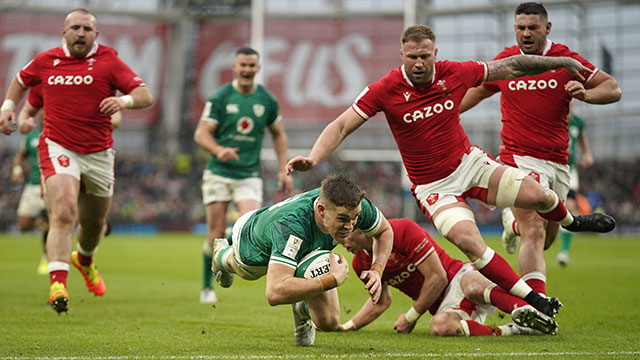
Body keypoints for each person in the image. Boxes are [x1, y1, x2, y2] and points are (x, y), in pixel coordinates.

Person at [287, 24, 616, 318]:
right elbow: (343, 124)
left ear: (435, 54)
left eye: (425, 56)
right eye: (412, 56)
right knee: (470, 243)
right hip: (434, 187)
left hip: (470, 164)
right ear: (401, 54)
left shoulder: (456, 72)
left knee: (540, 195)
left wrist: (562, 63)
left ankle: (574, 221)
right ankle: (533, 300)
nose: (418, 63)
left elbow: (513, 65)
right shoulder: (385, 89)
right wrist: (314, 158)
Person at [460, 3, 621, 294]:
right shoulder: (507, 61)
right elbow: (478, 91)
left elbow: (612, 88)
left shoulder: (566, 60)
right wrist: (445, 113)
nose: (526, 33)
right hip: (517, 158)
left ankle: (511, 225)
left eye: (532, 27)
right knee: (534, 230)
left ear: (547, 28)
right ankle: (536, 307)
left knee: (545, 238)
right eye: (520, 28)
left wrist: (587, 93)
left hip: (558, 163)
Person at [0, 8, 153, 314]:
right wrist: (8, 108)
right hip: (58, 146)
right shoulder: (46, 62)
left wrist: (122, 100)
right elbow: (20, 82)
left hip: (98, 152)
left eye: (87, 29)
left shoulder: (108, 61)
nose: (81, 33)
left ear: (95, 34)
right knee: (64, 210)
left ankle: (83, 260)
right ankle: (58, 282)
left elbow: (144, 94)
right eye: (75, 28)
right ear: (64, 31)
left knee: (95, 223)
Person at [209, 173, 393, 346]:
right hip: (253, 241)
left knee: (329, 322)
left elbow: (385, 231)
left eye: (355, 219)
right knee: (245, 271)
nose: (350, 226)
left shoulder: (354, 206)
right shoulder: (292, 227)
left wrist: (377, 270)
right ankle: (221, 255)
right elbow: (274, 293)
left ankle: (301, 308)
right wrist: (330, 280)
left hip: (303, 245)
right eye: (343, 219)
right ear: (321, 210)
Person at [336, 219, 557, 336]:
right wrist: (349, 325)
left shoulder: (402, 229)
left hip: (457, 277)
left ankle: (534, 312)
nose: (342, 242)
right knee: (440, 327)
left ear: (361, 230)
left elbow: (438, 278)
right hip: (445, 306)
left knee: (472, 285)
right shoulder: (361, 263)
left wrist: (411, 317)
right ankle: (513, 330)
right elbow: (382, 301)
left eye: (344, 235)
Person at [194, 46, 293, 304]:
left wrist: (283, 169)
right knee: (213, 233)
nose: (248, 70)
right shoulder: (221, 97)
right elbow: (201, 133)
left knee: (249, 225)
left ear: (258, 68)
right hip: (219, 173)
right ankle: (207, 286)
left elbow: (278, 134)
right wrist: (219, 150)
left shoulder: (267, 100)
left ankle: (228, 249)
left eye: (252, 66)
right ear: (235, 67)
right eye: (243, 65)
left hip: (249, 174)